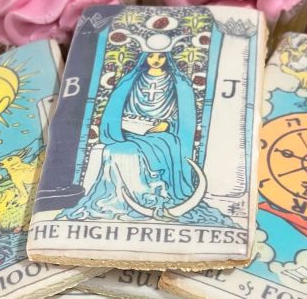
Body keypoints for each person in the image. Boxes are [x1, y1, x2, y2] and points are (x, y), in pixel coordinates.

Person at [67, 50, 209, 221]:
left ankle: (153, 196)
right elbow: (119, 107)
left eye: (160, 56)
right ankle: (126, 197)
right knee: (114, 150)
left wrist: (167, 124)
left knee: (164, 144)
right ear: (145, 57)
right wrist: (125, 123)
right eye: (151, 56)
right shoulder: (131, 80)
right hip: (131, 131)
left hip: (162, 132)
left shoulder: (177, 82)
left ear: (167, 58)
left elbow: (183, 114)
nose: (156, 60)